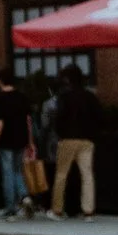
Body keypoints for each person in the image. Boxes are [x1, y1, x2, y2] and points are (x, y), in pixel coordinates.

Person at [47, 67, 102, 221]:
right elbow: (99, 117)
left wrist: (60, 133)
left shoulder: (64, 96)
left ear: (68, 79)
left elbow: (59, 118)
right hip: (86, 139)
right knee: (87, 175)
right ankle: (88, 211)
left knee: (61, 174)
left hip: (67, 138)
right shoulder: (90, 96)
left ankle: (57, 210)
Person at [0, 72, 31, 220]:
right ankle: (24, 196)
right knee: (18, 171)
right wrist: (30, 142)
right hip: (21, 139)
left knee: (8, 173)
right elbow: (28, 121)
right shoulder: (22, 97)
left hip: (5, 141)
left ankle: (10, 208)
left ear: (0, 81)